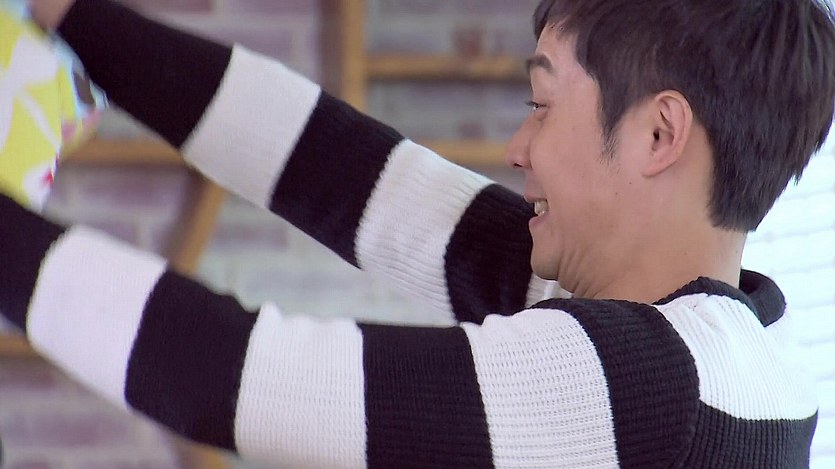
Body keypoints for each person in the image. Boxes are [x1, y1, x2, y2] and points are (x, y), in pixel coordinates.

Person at [1, 0, 833, 466]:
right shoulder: (740, 354)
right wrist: (72, 14)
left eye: (541, 105)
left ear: (657, 135)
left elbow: (238, 376)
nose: (518, 147)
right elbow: (343, 172)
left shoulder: (640, 388)